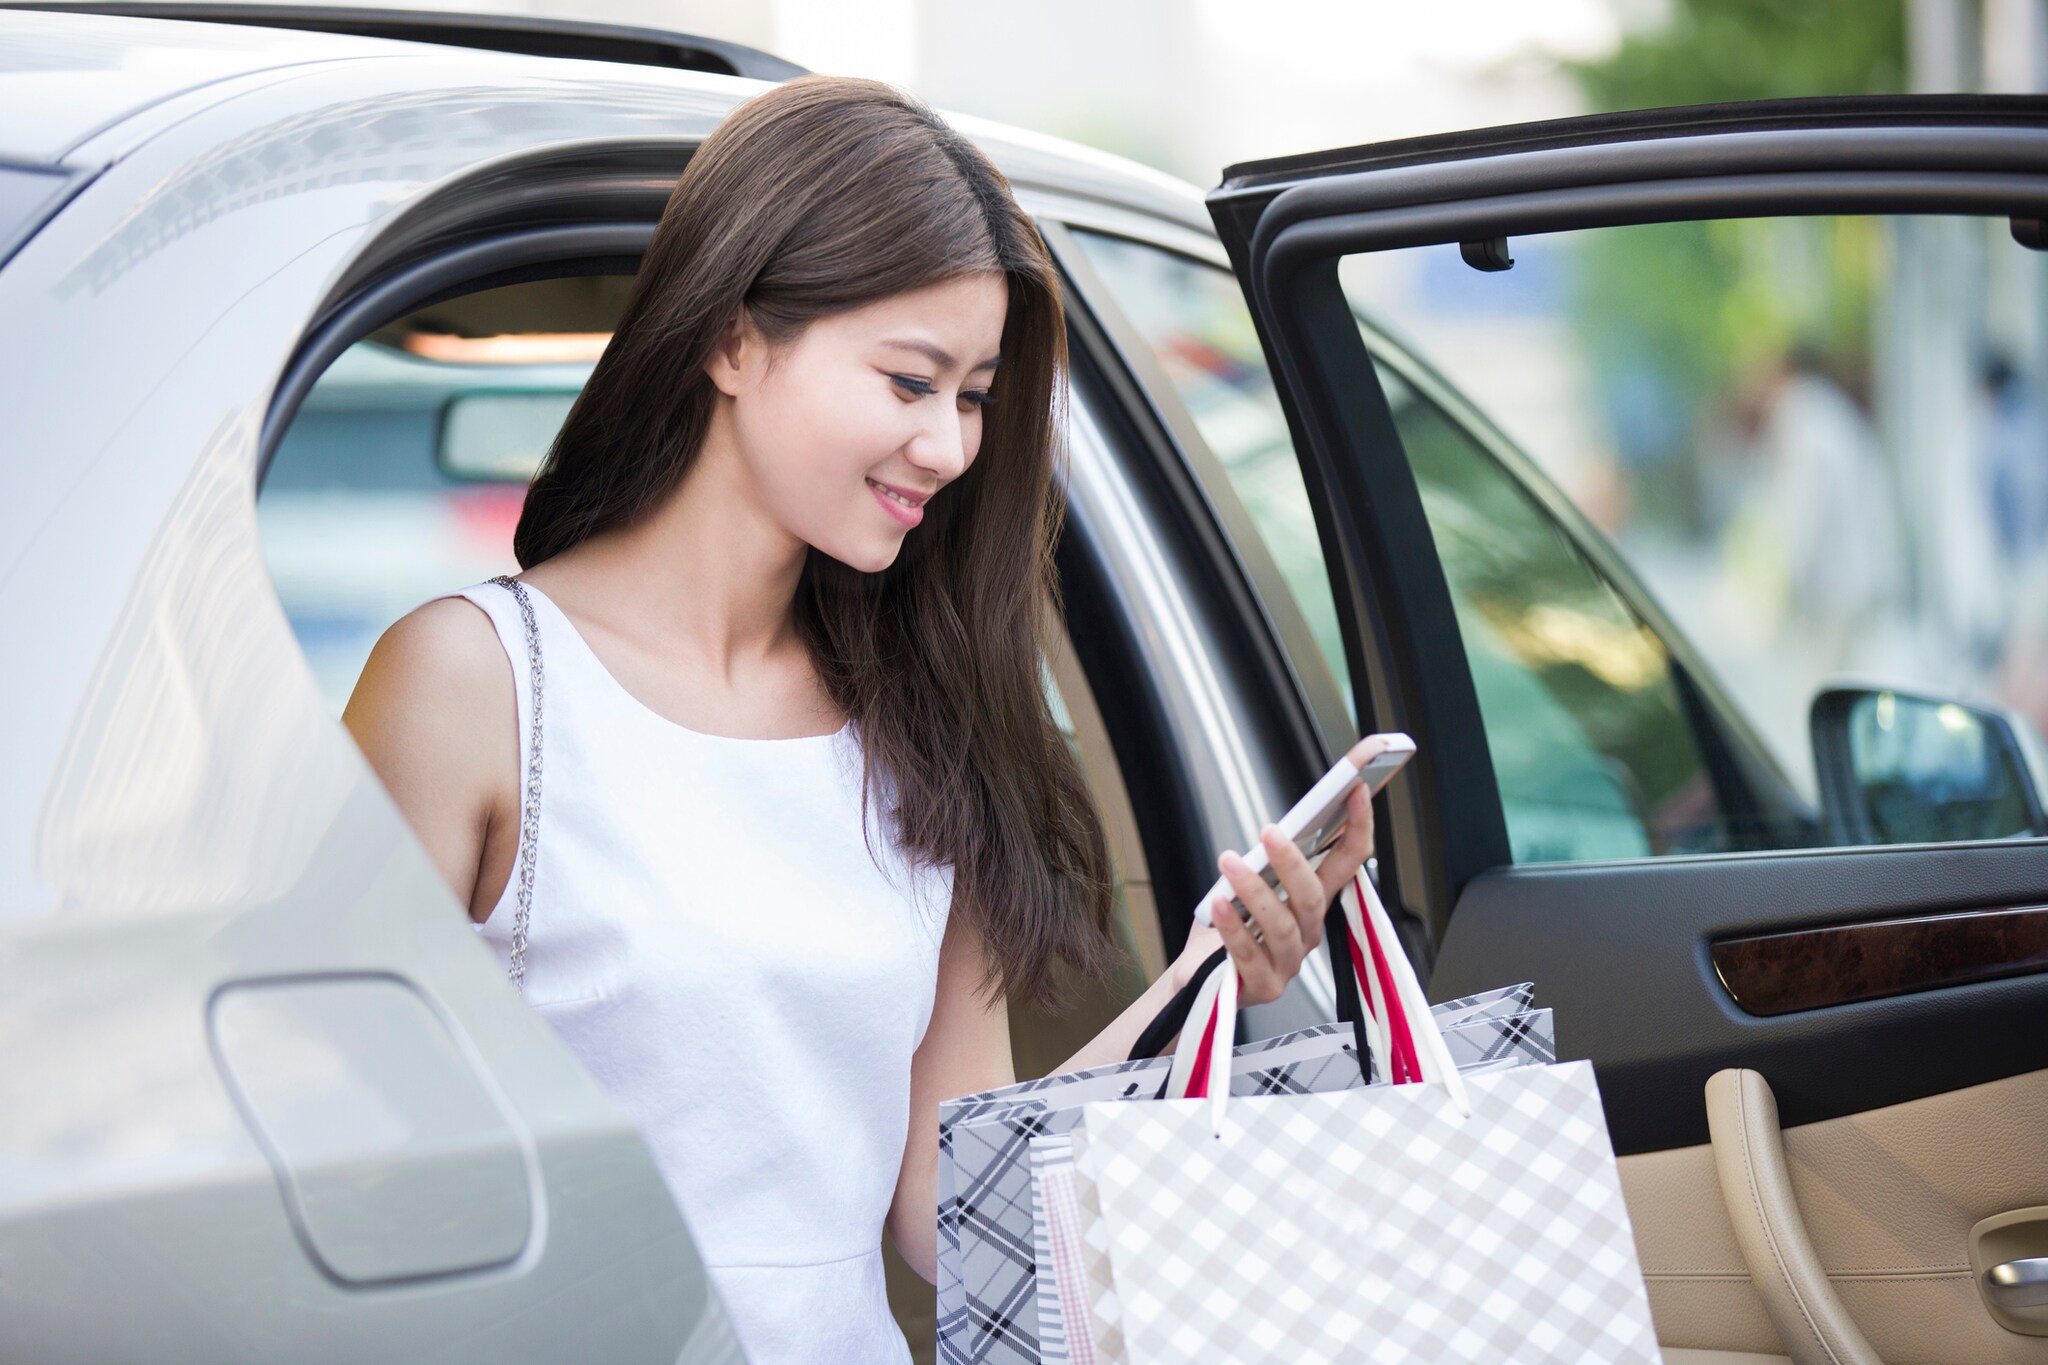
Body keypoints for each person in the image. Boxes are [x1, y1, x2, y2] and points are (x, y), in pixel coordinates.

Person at [342, 75, 1374, 1365]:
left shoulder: (919, 730)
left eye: (977, 394)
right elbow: (335, 1175)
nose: (949, 446)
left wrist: (1206, 985)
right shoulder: (475, 684)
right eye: (909, 380)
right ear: (729, 339)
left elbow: (958, 1217)